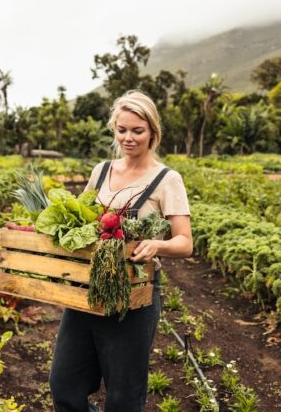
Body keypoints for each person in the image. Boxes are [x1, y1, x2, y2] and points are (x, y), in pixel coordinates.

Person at [49, 90, 193, 411]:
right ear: (114, 130)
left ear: (153, 133)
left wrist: (157, 244)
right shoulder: (101, 171)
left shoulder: (167, 180)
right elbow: (81, 217)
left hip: (134, 297)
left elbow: (185, 242)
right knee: (64, 384)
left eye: (137, 131)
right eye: (122, 130)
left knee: (123, 398)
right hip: (87, 293)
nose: (128, 138)